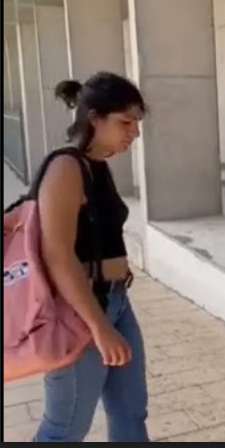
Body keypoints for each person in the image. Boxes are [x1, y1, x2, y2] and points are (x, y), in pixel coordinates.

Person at [32, 72, 149, 442]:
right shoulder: (66, 167)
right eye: (126, 122)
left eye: (136, 123)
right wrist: (99, 327)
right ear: (94, 118)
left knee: (130, 413)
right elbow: (57, 255)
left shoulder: (97, 165)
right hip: (80, 312)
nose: (134, 133)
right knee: (65, 428)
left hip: (116, 301)